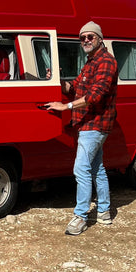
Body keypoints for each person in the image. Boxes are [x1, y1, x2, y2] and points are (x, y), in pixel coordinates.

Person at [45, 21, 118, 236]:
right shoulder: (90, 63)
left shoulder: (106, 62)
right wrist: (58, 80)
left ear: (99, 38)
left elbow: (96, 95)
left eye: (90, 36)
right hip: (88, 124)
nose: (86, 40)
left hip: (95, 125)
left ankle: (80, 216)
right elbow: (74, 87)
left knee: (81, 169)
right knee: (97, 168)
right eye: (82, 37)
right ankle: (104, 212)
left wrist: (65, 106)